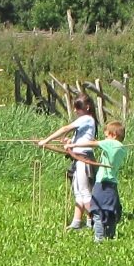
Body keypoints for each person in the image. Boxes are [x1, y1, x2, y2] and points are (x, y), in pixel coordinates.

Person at [38, 94, 97, 230]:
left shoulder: (87, 118)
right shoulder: (84, 120)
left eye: (78, 108)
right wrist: (70, 142)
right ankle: (77, 222)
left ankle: (96, 221)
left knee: (84, 192)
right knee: (78, 191)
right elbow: (82, 138)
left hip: (83, 157)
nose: (76, 111)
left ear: (87, 108)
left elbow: (65, 129)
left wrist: (46, 141)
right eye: (75, 108)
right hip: (77, 157)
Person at [68, 121, 127, 241]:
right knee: (110, 211)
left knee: (97, 211)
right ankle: (110, 236)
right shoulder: (122, 149)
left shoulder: (111, 143)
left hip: (102, 184)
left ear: (113, 135)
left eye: (106, 136)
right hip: (112, 184)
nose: (105, 139)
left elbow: (92, 143)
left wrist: (73, 145)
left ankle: (99, 238)